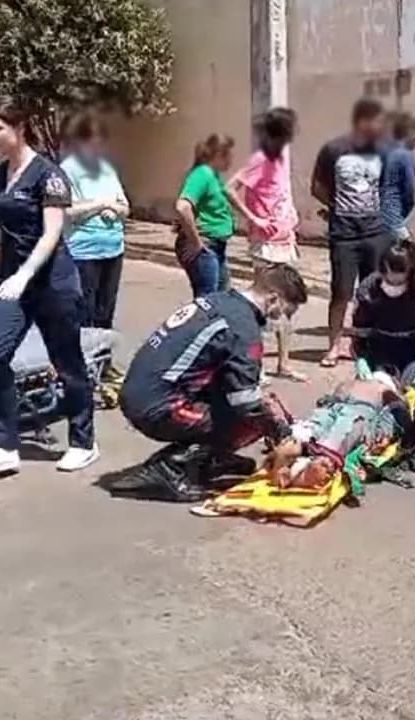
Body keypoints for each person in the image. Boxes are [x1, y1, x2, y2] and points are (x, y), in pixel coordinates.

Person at [0, 95, 98, 477]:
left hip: (52, 282)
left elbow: (52, 232)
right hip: (12, 286)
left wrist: (25, 274)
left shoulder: (48, 174)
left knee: (67, 363)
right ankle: (3, 445)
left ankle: (83, 441)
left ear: (19, 127)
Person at [117, 264, 309, 501]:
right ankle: (171, 468)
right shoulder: (243, 327)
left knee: (248, 403)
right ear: (273, 298)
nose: (283, 319)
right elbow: (245, 401)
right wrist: (279, 430)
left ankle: (208, 459)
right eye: (286, 311)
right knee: (252, 419)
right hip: (158, 406)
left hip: (141, 392)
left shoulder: (220, 300)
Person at [227, 107, 304, 381]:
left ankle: (284, 363)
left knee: (288, 303)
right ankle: (254, 367)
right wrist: (254, 219)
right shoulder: (260, 159)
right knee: (262, 304)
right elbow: (230, 188)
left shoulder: (281, 158)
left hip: (285, 240)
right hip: (266, 244)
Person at [312, 97, 389, 368]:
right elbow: (318, 188)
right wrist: (336, 207)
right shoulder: (334, 149)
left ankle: (365, 347)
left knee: (372, 293)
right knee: (341, 292)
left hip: (375, 232)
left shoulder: (382, 151)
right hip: (344, 234)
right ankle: (334, 346)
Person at [265, 368, 409, 489]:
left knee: (312, 427)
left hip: (332, 407)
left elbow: (325, 401)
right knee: (339, 437)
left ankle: (296, 441)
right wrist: (385, 433)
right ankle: (317, 464)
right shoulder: (386, 391)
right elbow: (396, 414)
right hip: (359, 411)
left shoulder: (351, 383)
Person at [60, 113, 131, 329]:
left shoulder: (107, 170)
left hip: (113, 248)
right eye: (93, 140)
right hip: (84, 251)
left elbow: (125, 207)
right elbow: (64, 212)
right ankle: (82, 360)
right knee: (84, 313)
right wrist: (99, 204)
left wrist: (115, 209)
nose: (98, 146)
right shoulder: (67, 170)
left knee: (105, 313)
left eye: (101, 140)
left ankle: (102, 360)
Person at [352, 240, 415, 380]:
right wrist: (361, 358)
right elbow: (361, 330)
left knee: (410, 389)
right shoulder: (369, 287)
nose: (393, 285)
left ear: (411, 271)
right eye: (388, 280)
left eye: (399, 282)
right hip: (379, 347)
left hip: (414, 348)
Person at [175, 134, 237, 297]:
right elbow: (183, 207)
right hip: (206, 244)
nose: (231, 160)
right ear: (219, 155)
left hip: (216, 245)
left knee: (221, 298)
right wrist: (196, 242)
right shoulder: (202, 174)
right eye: (229, 155)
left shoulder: (213, 175)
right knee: (207, 300)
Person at [380, 111, 415, 242]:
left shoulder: (384, 152)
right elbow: (410, 191)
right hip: (394, 219)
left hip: (375, 220)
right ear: (408, 133)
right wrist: (402, 216)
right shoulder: (405, 156)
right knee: (406, 257)